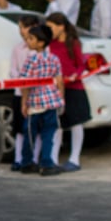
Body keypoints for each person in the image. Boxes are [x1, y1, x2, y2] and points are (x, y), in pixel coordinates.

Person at [17, 24, 64, 177]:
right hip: (52, 101)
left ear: (41, 42)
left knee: (29, 134)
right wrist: (61, 98)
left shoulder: (31, 60)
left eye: (31, 38)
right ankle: (46, 163)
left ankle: (27, 162)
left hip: (35, 102)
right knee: (48, 134)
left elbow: (25, 84)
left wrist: (23, 102)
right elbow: (59, 80)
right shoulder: (54, 58)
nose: (28, 41)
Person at [44, 12, 89, 172]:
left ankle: (74, 159)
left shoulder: (74, 43)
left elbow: (81, 64)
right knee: (58, 125)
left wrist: (75, 74)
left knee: (76, 123)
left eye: (51, 27)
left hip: (74, 88)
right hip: (57, 88)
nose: (48, 31)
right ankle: (53, 159)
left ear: (61, 27)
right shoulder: (50, 44)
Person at [8, 14, 40, 171]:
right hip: (19, 92)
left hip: (37, 94)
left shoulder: (41, 49)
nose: (22, 31)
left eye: (24, 27)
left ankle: (34, 158)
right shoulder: (17, 48)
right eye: (20, 27)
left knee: (36, 128)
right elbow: (12, 69)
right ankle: (18, 159)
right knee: (20, 128)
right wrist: (20, 80)